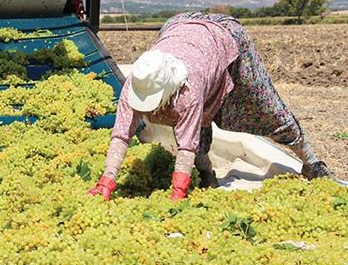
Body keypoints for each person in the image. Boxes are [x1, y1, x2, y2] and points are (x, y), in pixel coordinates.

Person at [89, 12, 334, 201]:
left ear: (169, 90)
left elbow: (186, 144)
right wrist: (107, 180)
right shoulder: (137, 82)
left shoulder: (188, 88)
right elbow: (121, 134)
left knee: (265, 105)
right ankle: (207, 173)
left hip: (225, 37)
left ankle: (312, 162)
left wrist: (178, 189)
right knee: (194, 121)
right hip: (178, 27)